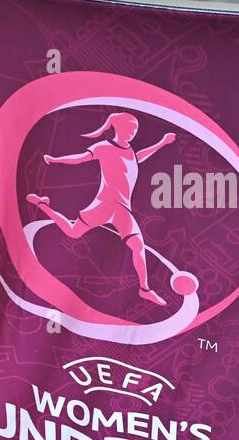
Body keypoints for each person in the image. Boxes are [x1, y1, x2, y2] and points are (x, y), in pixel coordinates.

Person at [26, 111, 175, 305]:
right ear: (117, 128)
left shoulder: (130, 151)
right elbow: (79, 158)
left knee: (138, 246)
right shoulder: (104, 147)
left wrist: (162, 143)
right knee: (73, 233)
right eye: (128, 129)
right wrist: (55, 160)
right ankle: (42, 205)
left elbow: (137, 158)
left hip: (122, 208)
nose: (132, 133)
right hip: (105, 204)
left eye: (135, 130)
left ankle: (144, 289)